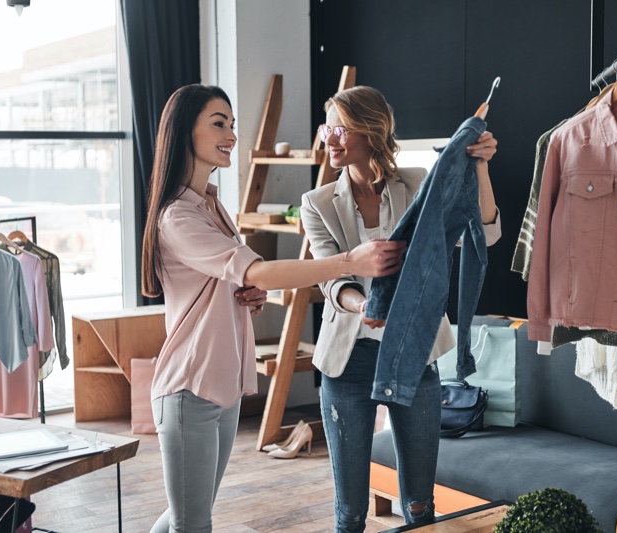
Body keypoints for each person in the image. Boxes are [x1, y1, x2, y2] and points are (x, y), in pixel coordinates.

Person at [141, 83, 407, 533]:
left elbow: (234, 279)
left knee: (186, 514)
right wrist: (349, 261)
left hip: (219, 385)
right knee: (192, 522)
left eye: (232, 124)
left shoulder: (212, 205)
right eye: (218, 123)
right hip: (188, 386)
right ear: (185, 130)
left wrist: (246, 292)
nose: (231, 134)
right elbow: (256, 269)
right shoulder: (178, 216)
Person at [300, 85, 502, 531]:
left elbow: (484, 233)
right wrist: (367, 306)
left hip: (415, 356)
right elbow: (332, 278)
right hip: (347, 363)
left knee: (419, 505)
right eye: (325, 128)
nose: (328, 140)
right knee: (350, 512)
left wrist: (480, 167)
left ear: (370, 130)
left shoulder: (417, 184)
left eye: (338, 128)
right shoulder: (316, 204)